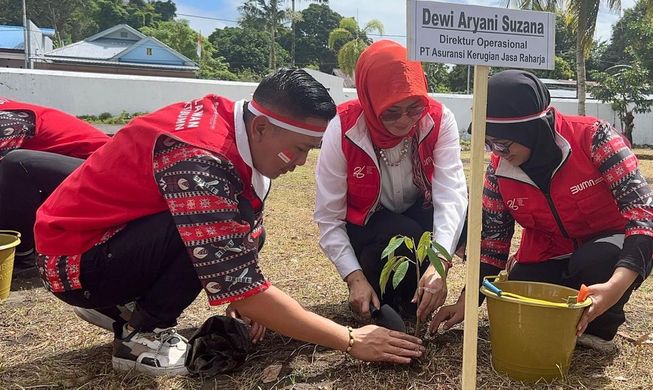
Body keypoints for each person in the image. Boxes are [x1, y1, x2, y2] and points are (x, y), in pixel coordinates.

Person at [34, 69, 424, 377]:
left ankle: (124, 305)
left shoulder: (237, 127)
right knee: (202, 234)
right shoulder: (200, 159)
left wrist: (251, 296)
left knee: (247, 230)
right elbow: (240, 286)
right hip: (75, 262)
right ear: (260, 128)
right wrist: (351, 340)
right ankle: (138, 337)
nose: (302, 162)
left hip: (111, 239)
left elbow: (242, 245)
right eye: (301, 148)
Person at [430, 70, 653, 348]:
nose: (496, 152)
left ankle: (600, 327)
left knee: (597, 260)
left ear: (532, 131)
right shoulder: (497, 172)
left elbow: (645, 214)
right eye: (488, 143)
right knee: (519, 290)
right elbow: (492, 245)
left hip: (607, 249)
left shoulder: (594, 138)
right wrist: (466, 303)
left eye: (502, 143)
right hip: (547, 253)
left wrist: (614, 288)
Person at [314, 40, 468, 323]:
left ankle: (432, 295)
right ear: (370, 101)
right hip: (369, 225)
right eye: (391, 112)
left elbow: (451, 194)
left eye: (414, 108)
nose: (405, 121)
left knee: (471, 219)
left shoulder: (437, 118)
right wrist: (354, 278)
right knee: (402, 235)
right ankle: (387, 290)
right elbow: (329, 218)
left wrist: (440, 264)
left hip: (419, 211)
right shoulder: (343, 128)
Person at [0, 98, 109, 274]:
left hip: (105, 178)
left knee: (15, 165)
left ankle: (23, 257)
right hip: (74, 173)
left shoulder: (8, 122)